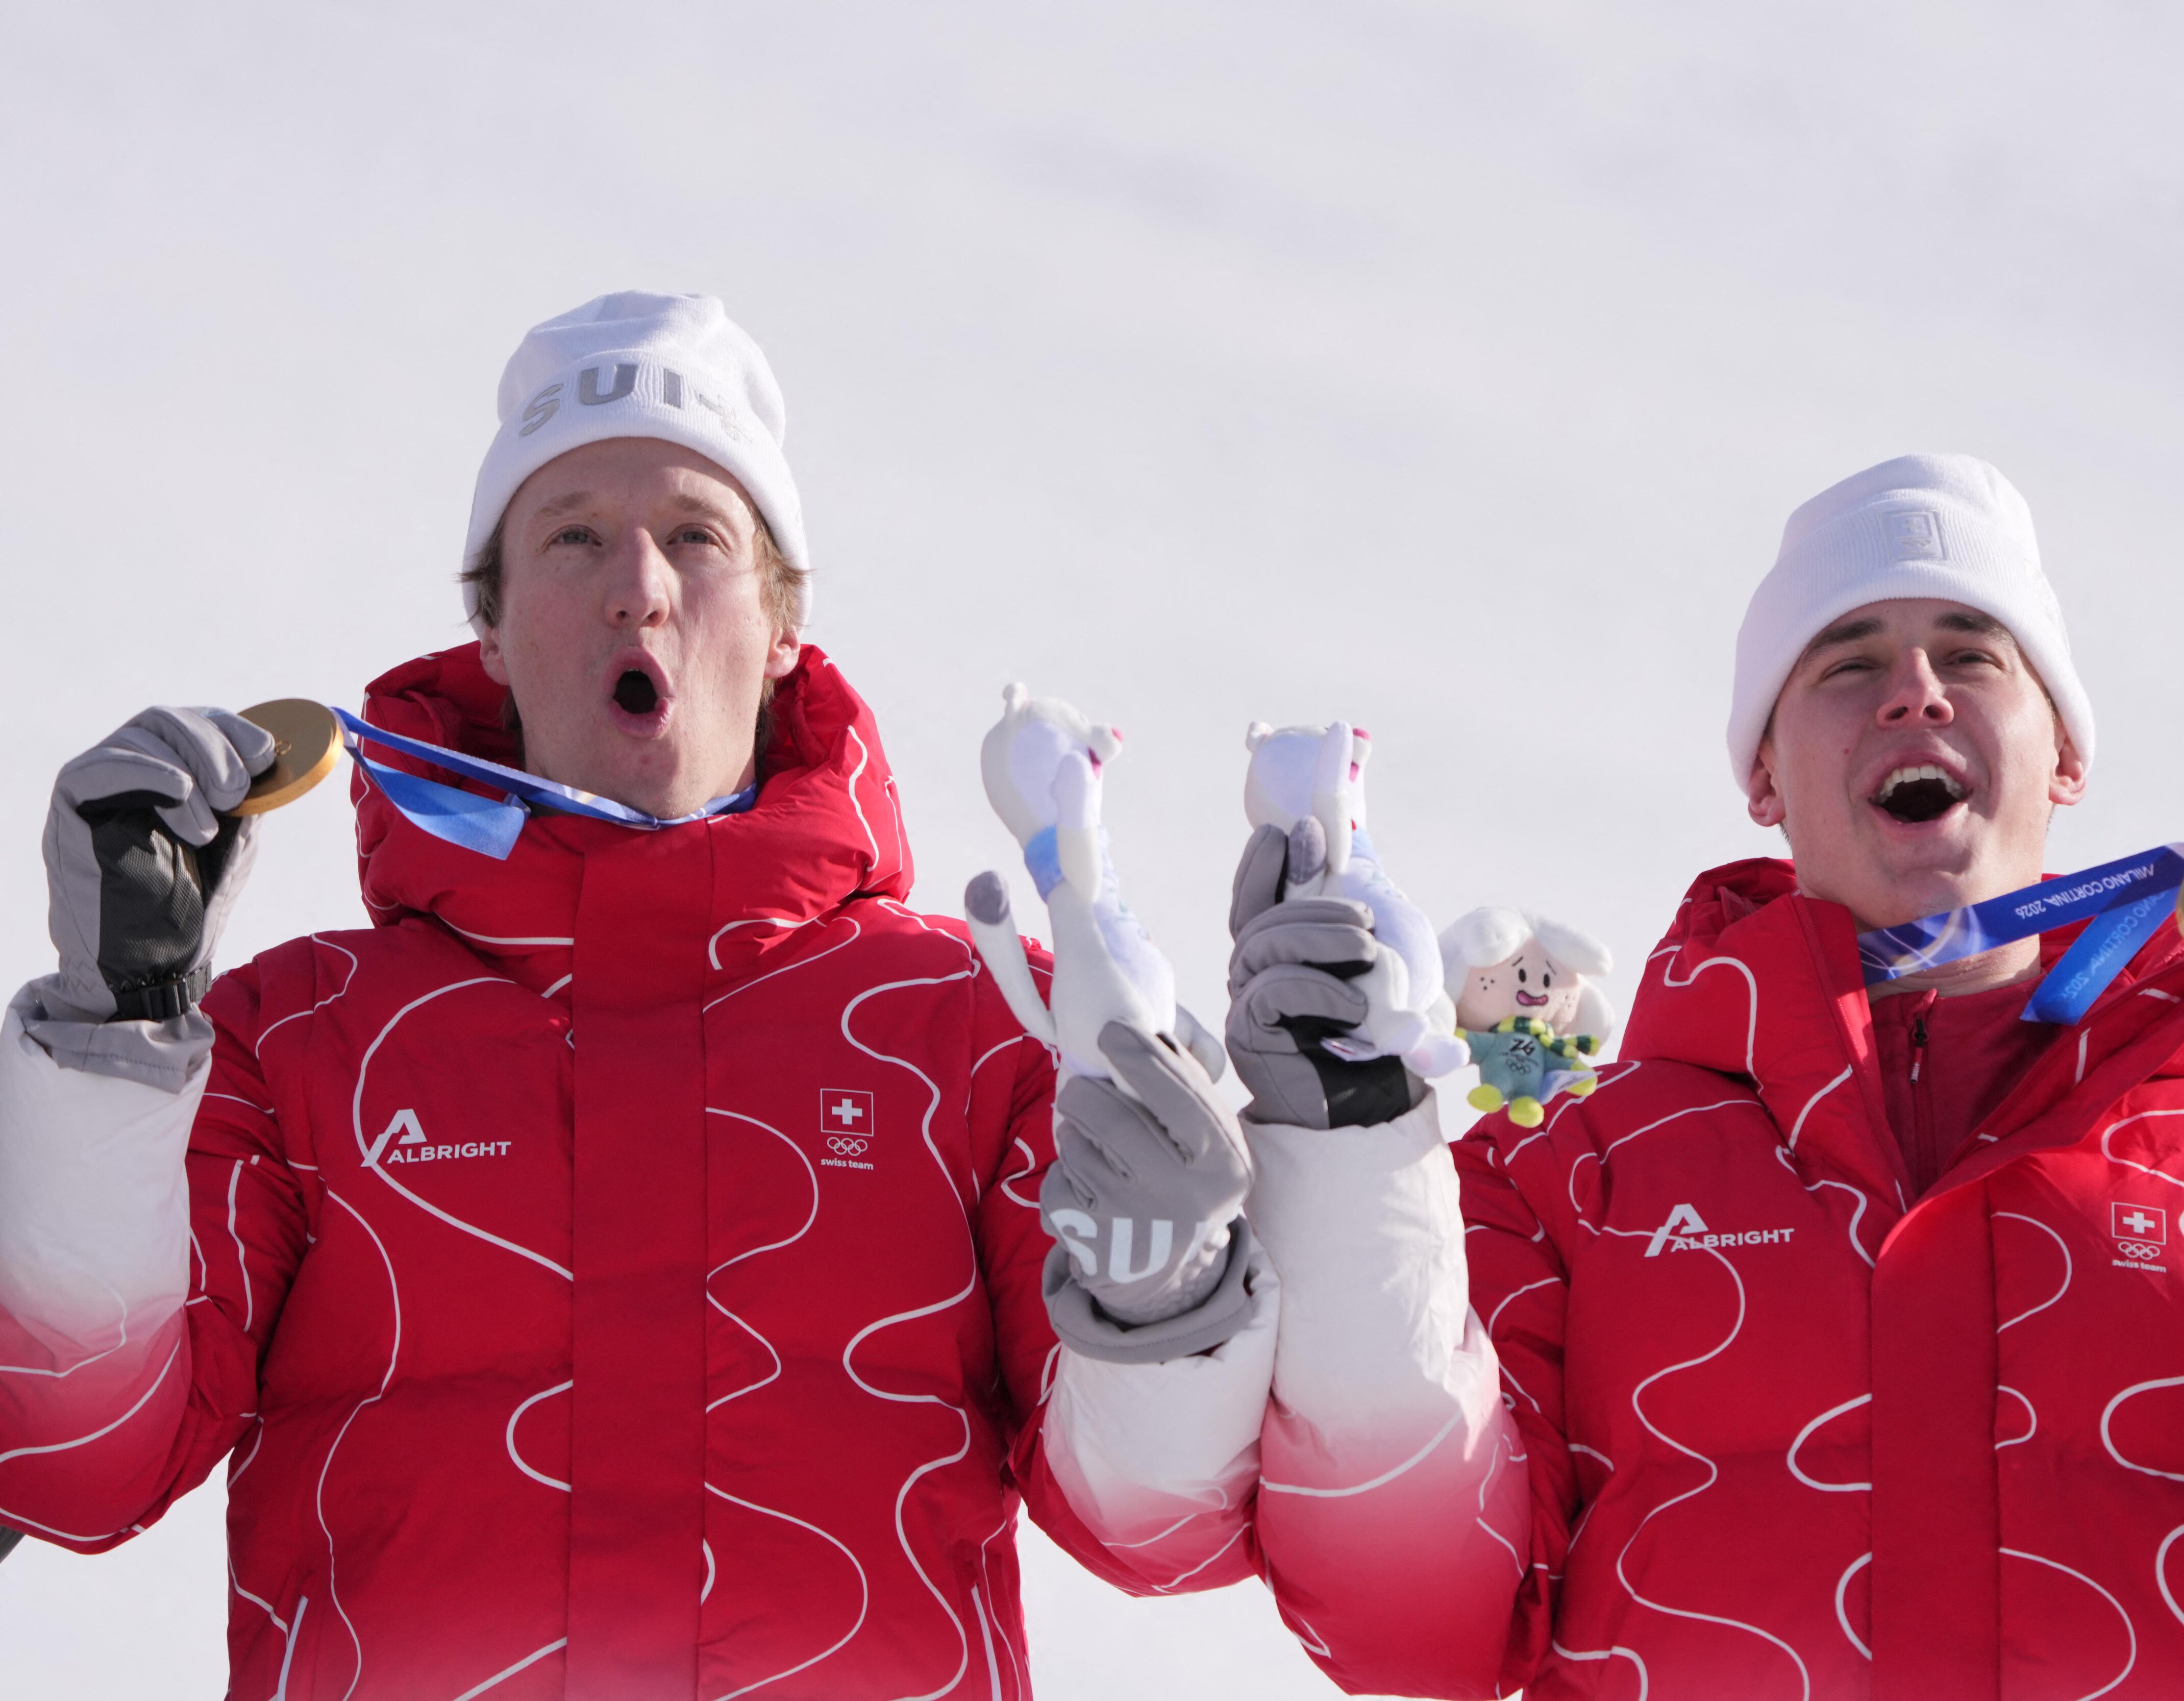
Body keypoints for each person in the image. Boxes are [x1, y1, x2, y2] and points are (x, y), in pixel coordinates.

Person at [0, 291, 1272, 1699]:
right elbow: (74, 1463)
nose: (640, 585)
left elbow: (1156, 1525)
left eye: (697, 535)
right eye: (575, 535)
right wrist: (114, 1036)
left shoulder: (976, 1027)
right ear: (488, 630)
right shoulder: (296, 1040)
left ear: (786, 627)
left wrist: (1168, 1304)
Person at [1226, 455, 2184, 1695]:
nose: (1915, 690)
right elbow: (1411, 1620)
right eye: (1849, 663)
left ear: (2067, 758)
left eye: (1972, 654)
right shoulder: (1573, 1178)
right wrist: (1352, 1160)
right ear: (1763, 777)